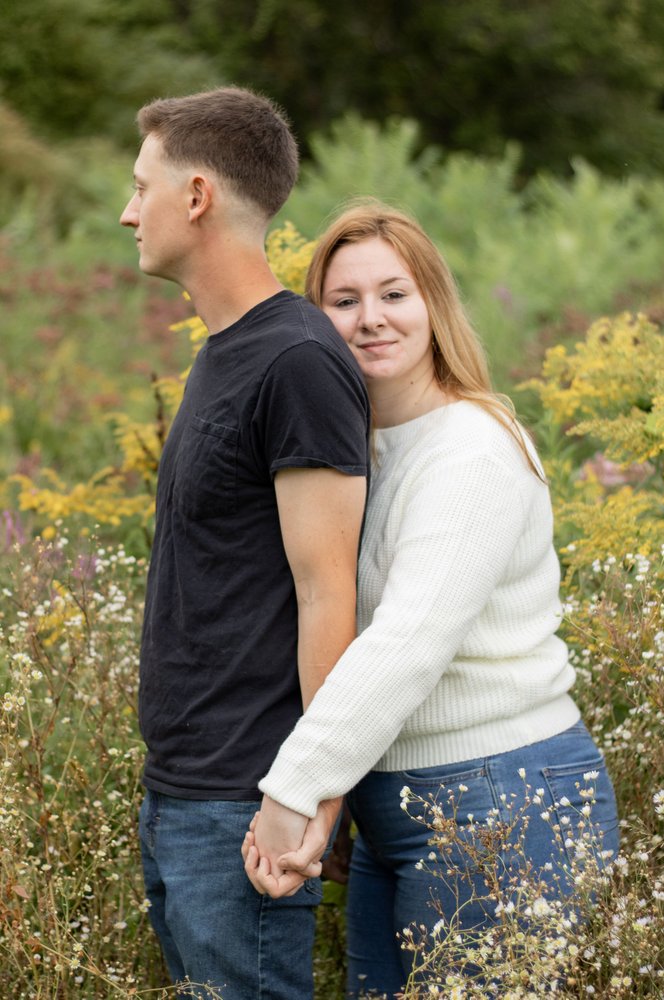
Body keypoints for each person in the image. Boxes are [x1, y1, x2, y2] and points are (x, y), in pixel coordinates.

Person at [244, 201, 620, 997]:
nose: (370, 319)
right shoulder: (358, 451)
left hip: (504, 797)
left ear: (433, 305)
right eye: (343, 301)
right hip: (398, 803)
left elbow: (407, 642)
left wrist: (297, 788)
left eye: (394, 294)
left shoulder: (470, 450)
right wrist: (343, 793)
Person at [119, 88, 369, 1000]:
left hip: (246, 803)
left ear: (196, 196)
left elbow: (327, 592)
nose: (126, 212)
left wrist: (309, 794)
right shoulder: (225, 349)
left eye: (140, 186)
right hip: (182, 794)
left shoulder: (295, 360)